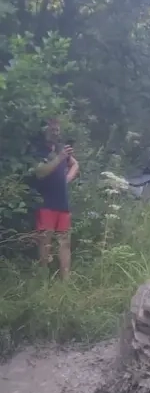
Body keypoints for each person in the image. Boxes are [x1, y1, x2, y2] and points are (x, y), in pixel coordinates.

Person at [31, 118, 79, 279]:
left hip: (62, 202)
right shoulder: (39, 150)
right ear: (44, 130)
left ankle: (66, 280)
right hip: (45, 202)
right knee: (45, 241)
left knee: (64, 242)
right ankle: (43, 277)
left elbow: (75, 164)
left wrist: (67, 178)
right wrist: (59, 157)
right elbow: (40, 172)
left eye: (58, 130)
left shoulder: (60, 148)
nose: (56, 133)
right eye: (53, 130)